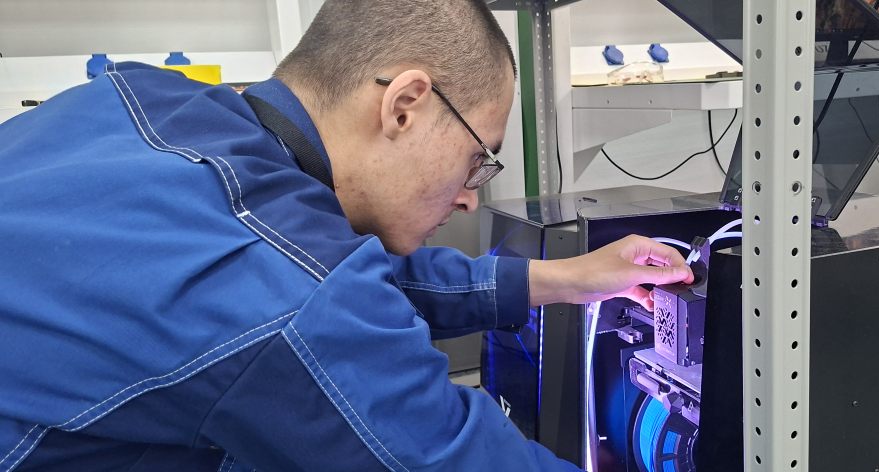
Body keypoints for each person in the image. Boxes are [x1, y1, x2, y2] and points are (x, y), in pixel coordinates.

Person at [0, 1, 692, 470]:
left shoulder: (144, 97)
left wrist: (564, 278)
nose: (470, 194)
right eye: (478, 155)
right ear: (405, 106)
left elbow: (326, 279)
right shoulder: (279, 288)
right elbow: (445, 451)